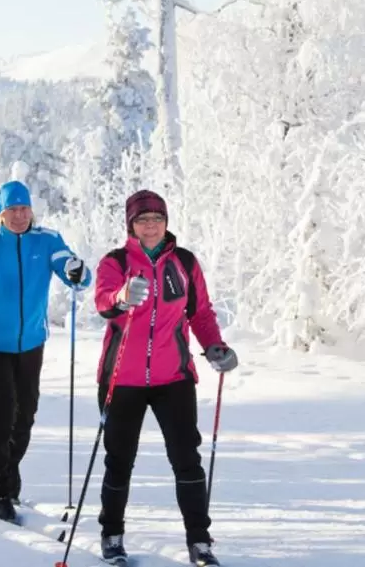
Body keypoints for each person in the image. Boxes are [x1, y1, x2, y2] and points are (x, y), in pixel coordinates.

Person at [92, 190, 239, 567]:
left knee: (186, 460)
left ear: (167, 221)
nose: (151, 225)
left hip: (173, 377)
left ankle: (200, 543)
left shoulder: (185, 262)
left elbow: (200, 313)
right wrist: (124, 296)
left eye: (157, 217)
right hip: (121, 379)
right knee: (119, 460)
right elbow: (105, 301)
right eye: (143, 219)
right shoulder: (116, 261)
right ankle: (112, 535)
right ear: (131, 225)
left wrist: (215, 347)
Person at [0, 180, 92, 522]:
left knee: (25, 416)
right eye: (11, 210)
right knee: (2, 415)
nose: (19, 215)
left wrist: (78, 272)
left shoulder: (47, 241)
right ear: (1, 213)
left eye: (24, 208)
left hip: (31, 344)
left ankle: (10, 473)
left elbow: (76, 275)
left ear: (32, 210)